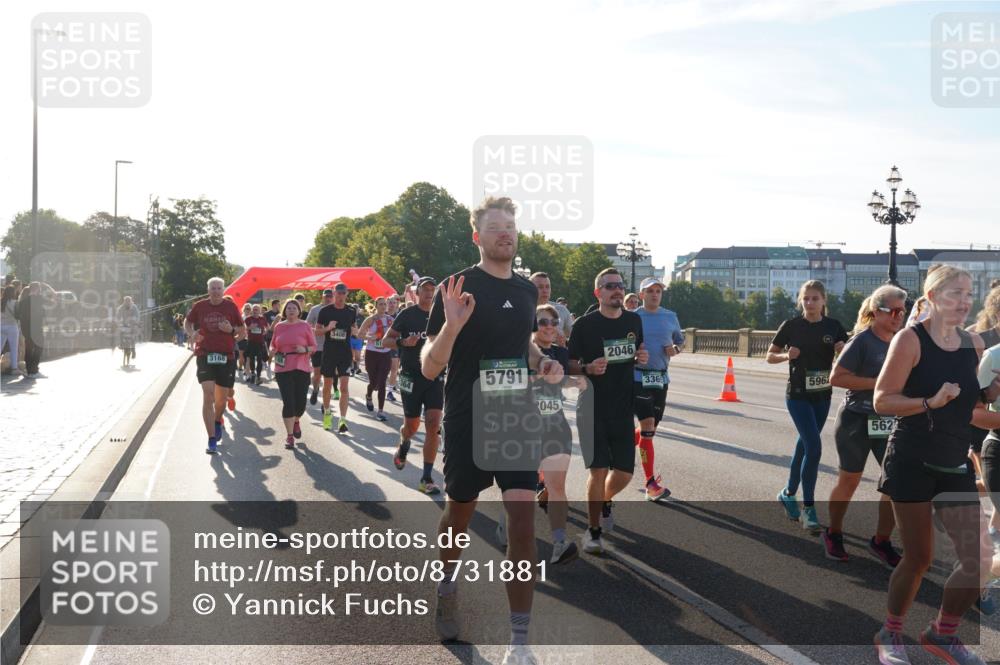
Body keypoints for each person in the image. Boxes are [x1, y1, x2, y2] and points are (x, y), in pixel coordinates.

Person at [421, 196, 563, 665]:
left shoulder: (526, 291)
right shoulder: (457, 287)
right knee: (459, 516)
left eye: (511, 226)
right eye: (496, 226)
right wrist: (451, 327)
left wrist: (540, 361)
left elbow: (521, 342)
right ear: (477, 236)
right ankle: (446, 581)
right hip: (467, 417)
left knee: (522, 524)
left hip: (515, 417)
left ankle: (519, 643)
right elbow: (428, 367)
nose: (506, 232)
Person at [872, 265, 1000, 665]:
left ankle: (941, 634)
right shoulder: (910, 340)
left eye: (967, 293)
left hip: (953, 461)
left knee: (979, 560)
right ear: (930, 299)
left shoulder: (974, 345)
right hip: (911, 459)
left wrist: (994, 391)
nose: (963, 302)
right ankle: (890, 633)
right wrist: (929, 402)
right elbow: (882, 400)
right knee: (919, 557)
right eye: (953, 294)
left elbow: (973, 411)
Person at [822, 284, 907, 566]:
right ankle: (833, 532)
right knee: (850, 480)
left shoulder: (904, 341)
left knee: (896, 483)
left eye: (902, 311)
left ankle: (881, 541)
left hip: (888, 421)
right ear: (876, 311)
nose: (898, 316)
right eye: (892, 310)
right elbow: (837, 378)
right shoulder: (861, 341)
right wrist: (878, 385)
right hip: (856, 419)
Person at [568, 267, 649, 554]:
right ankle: (592, 531)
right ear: (598, 292)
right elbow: (570, 364)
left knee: (625, 473)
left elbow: (638, 349)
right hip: (591, 407)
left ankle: (602, 501)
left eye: (620, 285)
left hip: (622, 406)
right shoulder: (584, 326)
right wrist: (587, 368)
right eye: (609, 285)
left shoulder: (633, 320)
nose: (616, 289)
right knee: (599, 469)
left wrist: (642, 355)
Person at [768, 280, 848, 531]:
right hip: (798, 396)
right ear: (801, 301)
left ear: (824, 301)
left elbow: (848, 357)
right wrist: (785, 356)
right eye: (806, 299)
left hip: (823, 395)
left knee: (804, 445)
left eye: (815, 298)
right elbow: (770, 356)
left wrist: (841, 350)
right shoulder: (791, 326)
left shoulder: (834, 327)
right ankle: (809, 509)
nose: (810, 303)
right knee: (814, 447)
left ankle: (788, 493)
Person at [383, 276, 444, 494]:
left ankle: (426, 478)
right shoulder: (407, 314)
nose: (429, 292)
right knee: (412, 426)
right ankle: (404, 443)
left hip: (435, 377)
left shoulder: (442, 315)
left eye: (432, 289)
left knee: (434, 425)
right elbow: (385, 341)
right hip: (410, 376)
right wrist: (402, 342)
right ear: (417, 293)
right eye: (425, 289)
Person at [530, 302, 579, 564]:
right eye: (542, 322)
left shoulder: (561, 353)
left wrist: (581, 379)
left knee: (557, 485)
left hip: (555, 425)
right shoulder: (521, 351)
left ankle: (559, 542)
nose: (549, 326)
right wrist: (536, 379)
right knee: (519, 491)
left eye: (553, 322)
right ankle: (506, 526)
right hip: (523, 428)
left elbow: (566, 379)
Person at [633, 276, 684, 501]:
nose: (655, 294)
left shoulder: (670, 316)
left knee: (650, 429)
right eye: (650, 291)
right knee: (648, 428)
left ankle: (621, 446)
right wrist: (633, 354)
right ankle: (650, 484)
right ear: (641, 294)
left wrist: (676, 349)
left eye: (658, 291)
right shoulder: (632, 318)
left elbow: (681, 341)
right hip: (638, 378)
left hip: (661, 379)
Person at [184, 278, 245, 454]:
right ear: (208, 290)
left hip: (226, 357)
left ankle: (218, 420)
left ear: (223, 290)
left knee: (220, 400)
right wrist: (192, 334)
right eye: (213, 288)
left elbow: (242, 332)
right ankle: (211, 439)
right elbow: (187, 323)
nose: (216, 291)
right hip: (205, 354)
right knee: (208, 395)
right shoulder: (200, 306)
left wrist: (231, 332)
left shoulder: (231, 307)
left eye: (219, 288)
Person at [270, 298, 316, 449]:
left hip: (301, 366)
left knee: (300, 403)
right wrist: (272, 350)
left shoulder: (305, 326)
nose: (291, 310)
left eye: (294, 308)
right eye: (288, 308)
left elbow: (313, 346)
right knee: (288, 402)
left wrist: (305, 349)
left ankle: (297, 420)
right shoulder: (279, 326)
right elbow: (273, 344)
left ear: (298, 311)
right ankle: (289, 436)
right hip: (283, 368)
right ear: (285, 311)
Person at [315, 282, 356, 433]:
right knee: (327, 387)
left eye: (343, 293)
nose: (340, 296)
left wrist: (358, 332)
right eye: (338, 293)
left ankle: (342, 420)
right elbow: (317, 332)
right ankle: (327, 414)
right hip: (330, 352)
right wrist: (328, 328)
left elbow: (352, 329)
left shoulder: (351, 311)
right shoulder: (325, 311)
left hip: (345, 353)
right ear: (334, 294)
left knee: (344, 387)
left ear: (347, 294)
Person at [358, 297, 394, 421]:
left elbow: (397, 333)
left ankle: (381, 411)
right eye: (381, 304)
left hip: (385, 354)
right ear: (376, 306)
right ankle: (369, 395)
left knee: (382, 382)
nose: (383, 306)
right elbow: (359, 334)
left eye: (385, 304)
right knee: (374, 383)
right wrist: (370, 337)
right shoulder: (370, 319)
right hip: (372, 353)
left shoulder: (391, 320)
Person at [306, 289, 334, 406]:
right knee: (317, 374)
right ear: (322, 297)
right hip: (318, 346)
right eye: (326, 296)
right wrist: (319, 330)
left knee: (329, 375)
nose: (328, 298)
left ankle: (325, 402)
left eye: (330, 296)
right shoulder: (315, 309)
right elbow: (307, 326)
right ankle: (316, 390)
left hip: (332, 346)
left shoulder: (336, 310)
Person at [529, 272, 573, 346]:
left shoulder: (561, 310)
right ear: (530, 289)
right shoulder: (522, 310)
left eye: (547, 287)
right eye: (540, 287)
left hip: (556, 355)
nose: (545, 290)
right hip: (530, 355)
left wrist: (564, 342)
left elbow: (575, 338)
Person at [16, 282, 44, 377]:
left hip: (26, 329)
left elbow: (17, 315)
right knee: (38, 348)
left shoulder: (23, 301)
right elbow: (42, 314)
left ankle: (29, 370)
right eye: (39, 288)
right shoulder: (38, 300)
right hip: (35, 328)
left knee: (29, 348)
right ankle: (34, 369)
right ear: (36, 289)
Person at [244, 304, 269, 384]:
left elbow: (267, 327)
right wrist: (250, 327)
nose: (255, 311)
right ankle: (253, 373)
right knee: (251, 358)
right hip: (251, 342)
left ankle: (258, 376)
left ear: (259, 311)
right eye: (254, 309)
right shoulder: (248, 319)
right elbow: (244, 328)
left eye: (257, 309)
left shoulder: (262, 318)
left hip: (260, 342)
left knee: (259, 359)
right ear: (252, 311)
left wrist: (265, 331)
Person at [2, 285, 21, 375]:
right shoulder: (15, 302)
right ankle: (14, 369)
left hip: (1, 326)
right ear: (12, 293)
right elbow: (18, 315)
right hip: (12, 326)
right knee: (14, 348)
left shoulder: (1, 302)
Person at [386, 294, 401, 402]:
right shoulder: (381, 315)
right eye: (390, 302)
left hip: (394, 345)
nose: (392, 305)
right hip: (381, 345)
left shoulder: (400, 316)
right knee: (382, 369)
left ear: (397, 305)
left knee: (394, 368)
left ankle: (390, 391)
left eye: (394, 303)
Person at [237, 303, 252, 380]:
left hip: (250, 339)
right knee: (241, 356)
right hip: (242, 339)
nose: (248, 310)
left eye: (249, 309)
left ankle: (246, 371)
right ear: (243, 309)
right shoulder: (241, 318)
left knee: (248, 357)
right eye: (246, 308)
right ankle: (240, 366)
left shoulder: (253, 318)